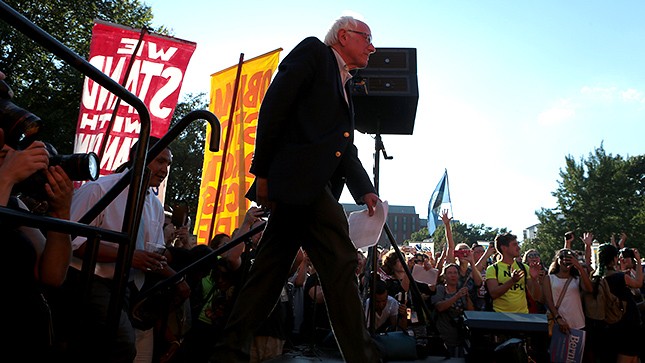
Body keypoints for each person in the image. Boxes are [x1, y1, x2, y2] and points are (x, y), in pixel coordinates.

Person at [211, 15, 381, 363]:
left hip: (308, 190)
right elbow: (274, 106)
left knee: (268, 273)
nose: (372, 46)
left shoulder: (346, 84)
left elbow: (344, 148)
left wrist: (364, 189)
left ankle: (228, 352)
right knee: (342, 260)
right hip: (299, 182)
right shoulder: (313, 53)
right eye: (366, 38)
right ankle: (364, 358)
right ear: (343, 35)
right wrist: (262, 173)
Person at [52, 137, 190, 363]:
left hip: (125, 285)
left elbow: (151, 252)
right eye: (159, 161)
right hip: (86, 279)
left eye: (168, 164)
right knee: (122, 344)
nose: (164, 169)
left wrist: (177, 278)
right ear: (138, 158)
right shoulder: (101, 189)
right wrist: (128, 257)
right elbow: (70, 240)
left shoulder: (154, 205)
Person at [0, 131, 74, 359]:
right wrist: (5, 178)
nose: (13, 157)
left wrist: (61, 213)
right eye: (3, 154)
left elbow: (52, 275)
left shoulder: (15, 205)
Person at [431, 263, 474, 357]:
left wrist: (467, 297)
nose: (453, 275)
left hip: (459, 338)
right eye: (450, 273)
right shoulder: (440, 289)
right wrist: (457, 296)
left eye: (455, 273)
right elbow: (439, 307)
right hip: (443, 337)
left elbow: (471, 312)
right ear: (445, 276)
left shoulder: (461, 290)